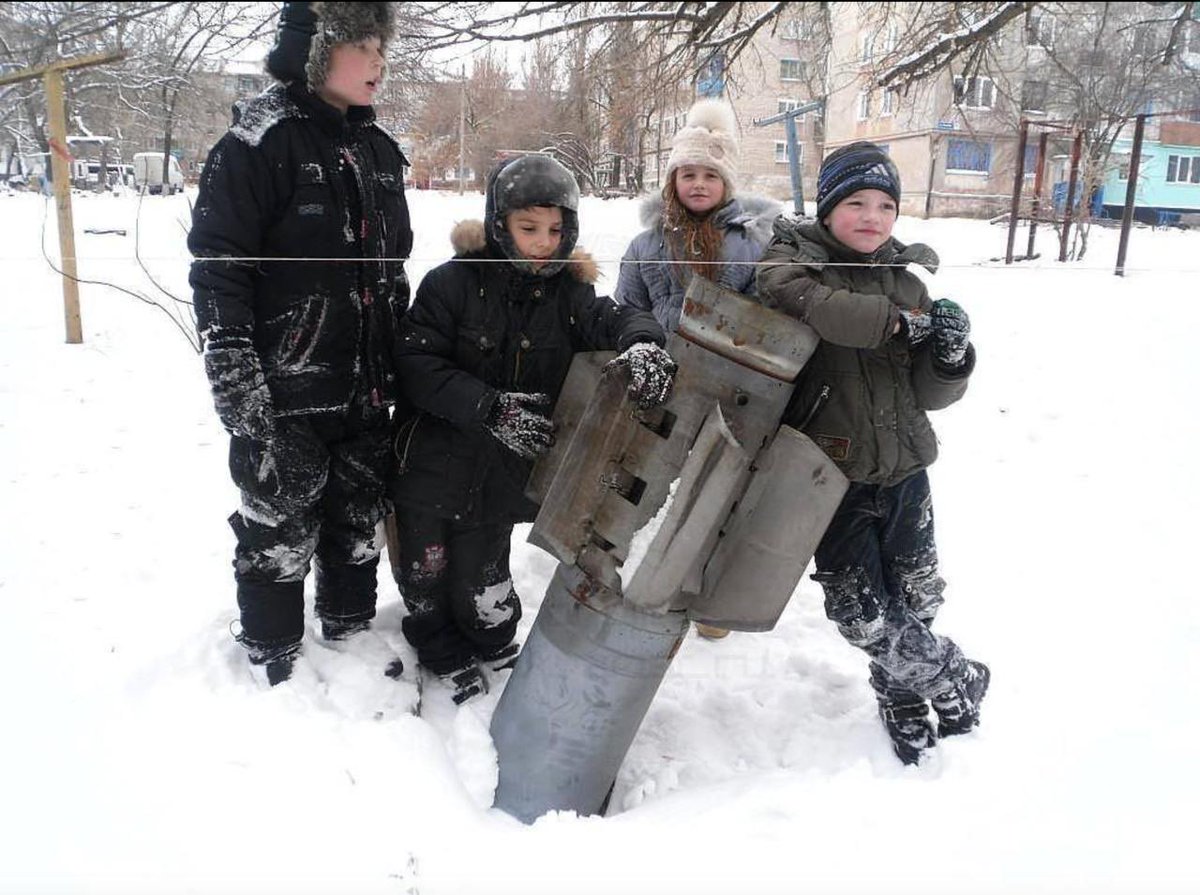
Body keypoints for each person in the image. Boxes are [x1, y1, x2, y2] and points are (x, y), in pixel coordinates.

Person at [390, 154, 675, 704]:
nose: (544, 242)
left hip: (499, 476)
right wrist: (488, 407)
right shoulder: (452, 283)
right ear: (499, 224)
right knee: (426, 569)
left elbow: (613, 318)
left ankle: (492, 636)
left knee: (483, 570)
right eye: (528, 229)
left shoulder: (570, 294)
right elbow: (416, 366)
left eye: (556, 230)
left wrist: (643, 340)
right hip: (432, 462)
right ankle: (439, 647)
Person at [188, 1, 412, 686]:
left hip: (367, 384)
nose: (379, 62)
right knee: (277, 532)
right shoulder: (256, 144)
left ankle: (348, 641)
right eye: (363, 46)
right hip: (285, 389)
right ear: (317, 50)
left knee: (357, 524)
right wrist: (234, 371)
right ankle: (273, 655)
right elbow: (220, 268)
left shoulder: (378, 151)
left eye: (383, 47)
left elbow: (393, 268)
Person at [756, 141, 989, 765]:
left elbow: (928, 395)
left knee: (915, 597)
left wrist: (948, 357)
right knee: (859, 609)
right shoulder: (790, 269)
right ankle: (950, 676)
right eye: (855, 202)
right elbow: (821, 310)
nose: (872, 216)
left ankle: (902, 698)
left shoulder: (909, 284)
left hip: (906, 468)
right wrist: (892, 322)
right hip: (828, 476)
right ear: (827, 208)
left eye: (885, 205)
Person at [614, 98, 781, 639]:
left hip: (731, 391)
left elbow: (770, 313)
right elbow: (628, 306)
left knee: (718, 492)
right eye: (688, 173)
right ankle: (648, 578)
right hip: (664, 386)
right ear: (672, 179)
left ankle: (706, 596)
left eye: (711, 173)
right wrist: (638, 343)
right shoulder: (646, 244)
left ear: (727, 182)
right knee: (657, 486)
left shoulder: (752, 244)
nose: (699, 183)